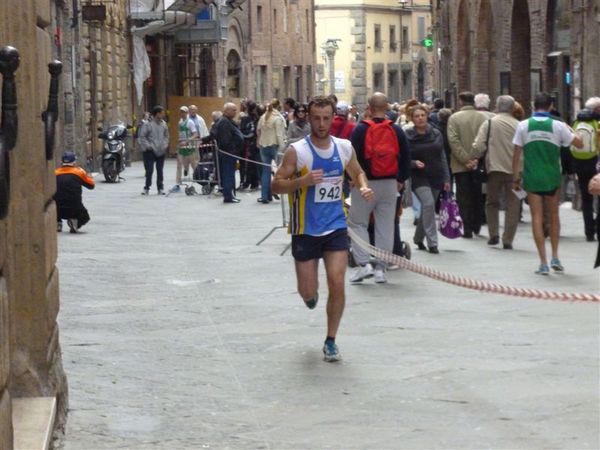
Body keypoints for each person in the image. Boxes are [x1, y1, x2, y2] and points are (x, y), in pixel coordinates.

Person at [271, 95, 374, 362]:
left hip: (336, 226)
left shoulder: (343, 147)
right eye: (316, 118)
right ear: (309, 117)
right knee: (307, 292)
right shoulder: (298, 151)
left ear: (333, 117)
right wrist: (302, 181)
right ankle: (310, 295)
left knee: (337, 282)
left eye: (326, 118)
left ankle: (331, 340)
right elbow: (276, 185)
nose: (321, 123)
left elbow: (357, 171)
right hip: (305, 228)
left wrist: (362, 185)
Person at [512, 92, 583, 275]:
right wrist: (570, 128)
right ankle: (556, 256)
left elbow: (516, 155)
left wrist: (515, 178)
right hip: (552, 176)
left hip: (532, 176)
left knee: (537, 216)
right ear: (551, 106)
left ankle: (543, 262)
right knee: (553, 216)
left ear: (533, 106)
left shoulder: (523, 125)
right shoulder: (559, 126)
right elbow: (580, 144)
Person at [349, 92, 412, 284]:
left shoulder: (361, 129)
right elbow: (407, 158)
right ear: (387, 107)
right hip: (389, 184)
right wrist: (399, 180)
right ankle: (381, 270)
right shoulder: (396, 130)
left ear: (369, 107)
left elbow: (351, 157)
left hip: (365, 184)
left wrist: (353, 180)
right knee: (385, 226)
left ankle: (363, 264)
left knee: (357, 223)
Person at [473, 95, 520, 249]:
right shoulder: (519, 125)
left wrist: (475, 157)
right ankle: (508, 239)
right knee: (513, 204)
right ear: (513, 108)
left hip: (494, 168)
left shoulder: (489, 123)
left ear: (497, 107)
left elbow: (479, 146)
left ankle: (493, 233)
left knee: (491, 202)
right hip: (515, 171)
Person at [405, 105, 450, 253]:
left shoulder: (436, 133)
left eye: (422, 115)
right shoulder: (408, 135)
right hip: (419, 176)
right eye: (417, 116)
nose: (420, 118)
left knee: (427, 208)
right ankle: (433, 242)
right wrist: (413, 163)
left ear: (427, 116)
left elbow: (442, 156)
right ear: (412, 119)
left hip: (436, 175)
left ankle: (418, 238)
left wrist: (447, 178)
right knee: (429, 204)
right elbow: (402, 157)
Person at [447, 91, 488, 237]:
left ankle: (467, 227)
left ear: (460, 101)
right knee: (477, 194)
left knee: (463, 196)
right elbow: (485, 141)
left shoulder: (454, 118)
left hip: (460, 165)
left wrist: (465, 160)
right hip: (478, 163)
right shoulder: (483, 117)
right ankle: (477, 224)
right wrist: (475, 158)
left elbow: (454, 141)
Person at [570, 97, 600, 241]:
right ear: (597, 109)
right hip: (595, 162)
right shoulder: (597, 123)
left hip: (580, 163)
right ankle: (598, 228)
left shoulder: (576, 122)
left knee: (586, 197)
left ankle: (589, 232)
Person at [212, 102, 244, 203]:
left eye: (236, 110)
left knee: (230, 175)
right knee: (228, 175)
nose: (235, 112)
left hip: (231, 153)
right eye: (233, 110)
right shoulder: (224, 122)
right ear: (226, 111)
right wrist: (233, 149)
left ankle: (231, 195)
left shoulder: (228, 121)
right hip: (228, 153)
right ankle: (228, 196)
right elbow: (225, 140)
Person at [55, 151, 95, 233]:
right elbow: (91, 186)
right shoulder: (78, 172)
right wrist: (86, 174)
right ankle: (74, 223)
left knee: (55, 200)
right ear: (74, 162)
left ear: (62, 162)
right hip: (74, 209)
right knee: (85, 217)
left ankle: (57, 223)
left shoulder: (55, 173)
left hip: (57, 209)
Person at [257, 98, 287, 203]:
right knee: (279, 171)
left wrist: (259, 143)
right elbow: (279, 134)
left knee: (265, 172)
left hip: (263, 145)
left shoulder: (263, 117)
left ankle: (265, 196)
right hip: (275, 146)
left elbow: (258, 131)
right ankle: (277, 191)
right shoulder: (278, 118)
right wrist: (283, 147)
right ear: (278, 107)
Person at [138, 105, 169, 195]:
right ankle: (146, 187)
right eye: (162, 113)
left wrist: (165, 145)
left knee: (160, 170)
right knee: (149, 170)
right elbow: (142, 136)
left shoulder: (164, 124)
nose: (163, 115)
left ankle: (160, 188)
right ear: (157, 114)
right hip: (150, 150)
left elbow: (166, 136)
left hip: (161, 150)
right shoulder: (148, 124)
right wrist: (148, 146)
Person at [172, 105, 198, 192]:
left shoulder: (190, 122)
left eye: (184, 112)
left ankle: (201, 180)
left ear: (187, 113)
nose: (182, 113)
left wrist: (187, 140)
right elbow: (180, 133)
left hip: (189, 146)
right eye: (181, 111)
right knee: (179, 165)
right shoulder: (180, 122)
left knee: (193, 165)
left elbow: (195, 134)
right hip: (181, 147)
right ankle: (177, 184)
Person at [239, 100, 261, 190]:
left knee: (249, 164)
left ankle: (249, 182)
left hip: (250, 143)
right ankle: (251, 182)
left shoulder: (254, 118)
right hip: (252, 143)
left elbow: (243, 130)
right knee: (251, 163)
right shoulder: (254, 118)